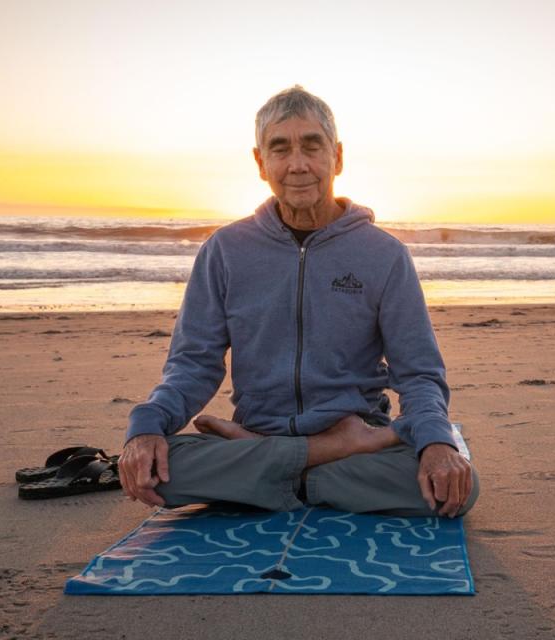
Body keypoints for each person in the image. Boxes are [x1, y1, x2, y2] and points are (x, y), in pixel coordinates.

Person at [118, 86, 479, 518]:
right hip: (273, 433)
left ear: (337, 156)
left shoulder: (383, 254)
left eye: (312, 146)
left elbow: (418, 371)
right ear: (260, 162)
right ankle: (318, 461)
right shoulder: (225, 250)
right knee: (161, 468)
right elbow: (194, 364)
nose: (298, 165)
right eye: (280, 148)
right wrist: (148, 425)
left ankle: (270, 471)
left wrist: (437, 442)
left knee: (457, 488)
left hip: (359, 437)